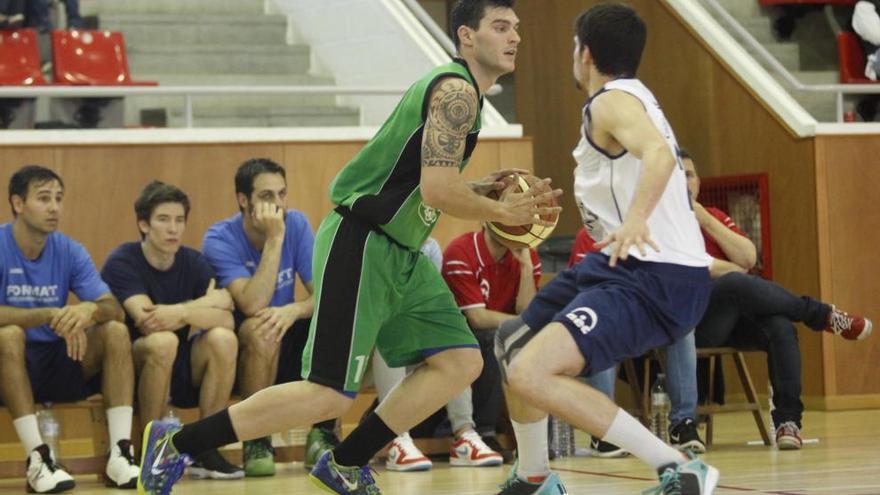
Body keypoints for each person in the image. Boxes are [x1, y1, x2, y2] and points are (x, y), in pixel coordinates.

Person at [137, 0, 561, 493]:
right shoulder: (456, 93)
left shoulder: (465, 96)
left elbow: (423, 180)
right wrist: (501, 212)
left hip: (403, 253)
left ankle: (345, 461)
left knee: (460, 361)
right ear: (467, 36)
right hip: (362, 242)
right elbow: (438, 191)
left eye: (517, 29)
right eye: (501, 27)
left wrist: (482, 187)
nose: (515, 38)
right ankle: (178, 442)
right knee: (328, 394)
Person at [494, 4, 719, 494]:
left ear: (586, 53)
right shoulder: (632, 99)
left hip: (654, 274)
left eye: (574, 48)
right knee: (512, 343)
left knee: (532, 371)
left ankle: (678, 466)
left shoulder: (610, 102)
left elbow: (660, 155)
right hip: (620, 264)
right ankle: (535, 476)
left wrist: (635, 219)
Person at [679, 150, 873, 450]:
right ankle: (819, 314)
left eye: (689, 175)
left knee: (780, 326)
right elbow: (697, 267)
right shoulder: (660, 223)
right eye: (676, 175)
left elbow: (748, 256)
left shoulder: (713, 217)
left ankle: (788, 423)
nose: (684, 181)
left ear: (699, 181)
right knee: (735, 283)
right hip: (691, 323)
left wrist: (703, 218)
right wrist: (733, 272)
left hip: (733, 318)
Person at [0, 165, 139, 493]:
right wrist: (46, 314)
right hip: (9, 366)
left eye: (59, 199)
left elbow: (113, 308)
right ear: (18, 204)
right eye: (44, 198)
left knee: (116, 331)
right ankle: (38, 458)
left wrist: (90, 309)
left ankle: (119, 453)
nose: (54, 207)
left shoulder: (70, 250)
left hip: (61, 359)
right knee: (8, 335)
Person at [198, 158, 339, 477]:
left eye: (282, 194)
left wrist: (294, 309)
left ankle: (323, 433)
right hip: (241, 349)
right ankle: (256, 438)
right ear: (243, 200)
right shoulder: (219, 238)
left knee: (332, 321)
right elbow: (251, 303)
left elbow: (324, 293)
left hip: (286, 330)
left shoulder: (298, 223)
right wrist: (275, 239)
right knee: (262, 328)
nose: (277, 205)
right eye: (266, 197)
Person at [100, 181, 242, 479]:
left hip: (181, 362)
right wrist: (206, 304)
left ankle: (205, 446)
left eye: (179, 220)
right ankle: (153, 448)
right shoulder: (123, 261)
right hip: (134, 364)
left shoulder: (193, 261)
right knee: (163, 341)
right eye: (163, 220)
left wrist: (181, 311)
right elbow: (148, 321)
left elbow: (227, 319)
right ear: (143, 224)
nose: (173, 229)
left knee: (224, 339)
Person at [570, 228, 706, 457]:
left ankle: (683, 424)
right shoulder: (589, 234)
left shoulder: (657, 229)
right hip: (611, 311)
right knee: (599, 327)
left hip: (650, 313)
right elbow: (584, 285)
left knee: (683, 328)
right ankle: (603, 430)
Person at [441, 226, 541, 466]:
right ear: (488, 219)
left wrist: (526, 268)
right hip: (457, 337)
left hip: (500, 332)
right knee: (494, 338)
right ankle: (485, 432)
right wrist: (526, 323)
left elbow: (527, 311)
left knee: (531, 343)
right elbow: (476, 317)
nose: (515, 227)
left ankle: (535, 439)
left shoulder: (526, 254)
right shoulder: (461, 251)